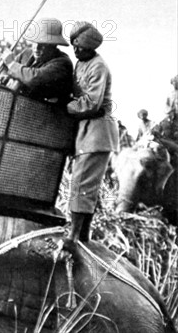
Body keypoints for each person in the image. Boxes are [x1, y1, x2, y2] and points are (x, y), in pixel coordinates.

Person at [65, 22, 119, 244]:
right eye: (74, 47)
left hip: (97, 131)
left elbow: (92, 103)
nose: (75, 51)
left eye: (79, 48)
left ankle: (75, 236)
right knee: (83, 184)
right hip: (86, 130)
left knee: (82, 183)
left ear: (90, 48)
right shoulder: (81, 63)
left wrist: (65, 106)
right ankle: (82, 234)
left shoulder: (98, 67)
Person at [0, 18, 73, 104]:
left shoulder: (63, 63)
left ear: (54, 45)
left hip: (46, 113)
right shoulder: (27, 53)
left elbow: (34, 79)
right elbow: (7, 70)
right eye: (35, 42)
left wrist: (11, 64)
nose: (36, 48)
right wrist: (6, 77)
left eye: (43, 44)